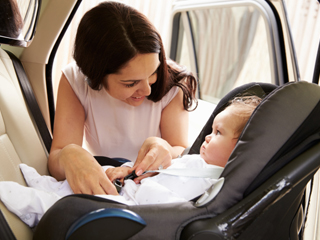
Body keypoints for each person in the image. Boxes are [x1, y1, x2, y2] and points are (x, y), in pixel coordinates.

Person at [0, 95, 261, 227]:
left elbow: (175, 207)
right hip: (131, 189)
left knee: (76, 202)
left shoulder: (209, 181)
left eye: (218, 133)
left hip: (134, 207)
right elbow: (167, 169)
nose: (206, 137)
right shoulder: (198, 164)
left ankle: (32, 203)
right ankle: (45, 185)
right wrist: (130, 172)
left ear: (240, 149)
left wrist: (140, 183)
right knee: (95, 174)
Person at [48, 1, 198, 196]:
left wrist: (166, 150)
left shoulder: (174, 83)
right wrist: (70, 155)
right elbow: (57, 157)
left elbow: (181, 149)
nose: (146, 89)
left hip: (153, 184)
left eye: (152, 73)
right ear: (96, 75)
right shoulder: (75, 80)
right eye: (131, 83)